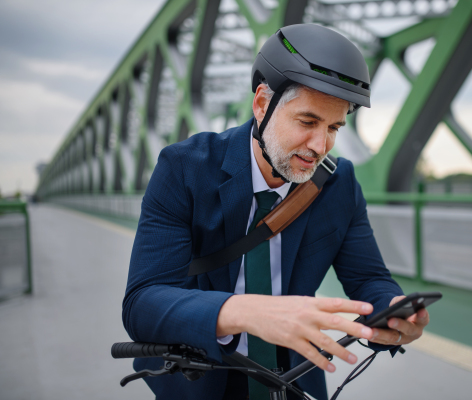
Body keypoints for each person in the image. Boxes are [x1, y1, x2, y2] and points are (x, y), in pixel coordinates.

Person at [123, 24, 430, 400]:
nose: (320, 146)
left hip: (293, 382)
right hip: (198, 377)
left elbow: (369, 278)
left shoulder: (339, 184)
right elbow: (143, 302)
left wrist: (393, 309)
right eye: (307, 122)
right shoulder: (184, 168)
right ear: (262, 104)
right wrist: (245, 312)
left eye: (334, 127)